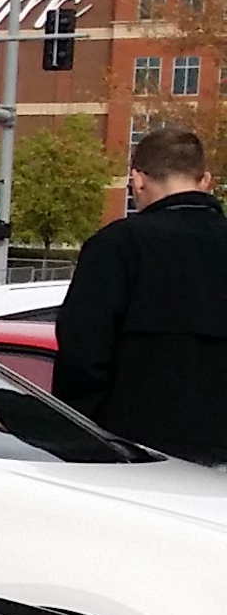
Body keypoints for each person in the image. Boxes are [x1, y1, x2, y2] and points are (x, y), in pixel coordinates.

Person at [54, 125, 227, 461]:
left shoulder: (116, 246)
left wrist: (82, 437)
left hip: (135, 451)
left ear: (138, 179)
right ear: (205, 180)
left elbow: (83, 354)